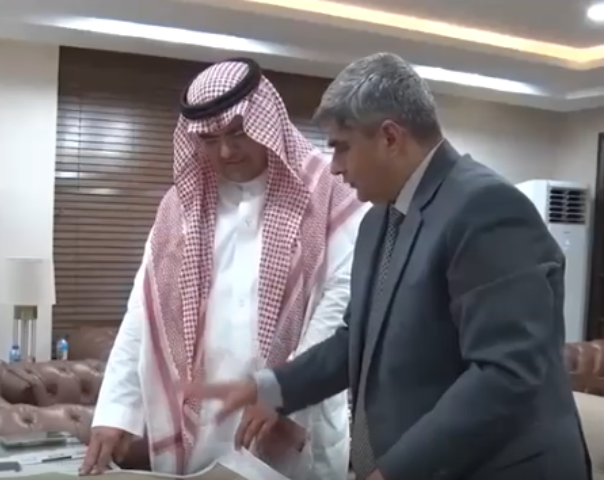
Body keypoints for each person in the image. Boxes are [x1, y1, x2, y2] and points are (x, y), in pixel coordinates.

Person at [185, 52, 592, 480]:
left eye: (342, 147)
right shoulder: (378, 219)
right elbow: (355, 339)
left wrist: (395, 471)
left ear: (390, 138)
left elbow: (505, 373)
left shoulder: (488, 208)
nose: (335, 167)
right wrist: (271, 386)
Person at [81, 58, 367, 479]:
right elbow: (144, 311)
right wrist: (116, 412)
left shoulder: (329, 191)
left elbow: (339, 305)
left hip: (291, 416)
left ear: (266, 122)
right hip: (201, 423)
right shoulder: (179, 207)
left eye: (238, 133)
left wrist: (288, 391)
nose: (226, 152)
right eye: (210, 139)